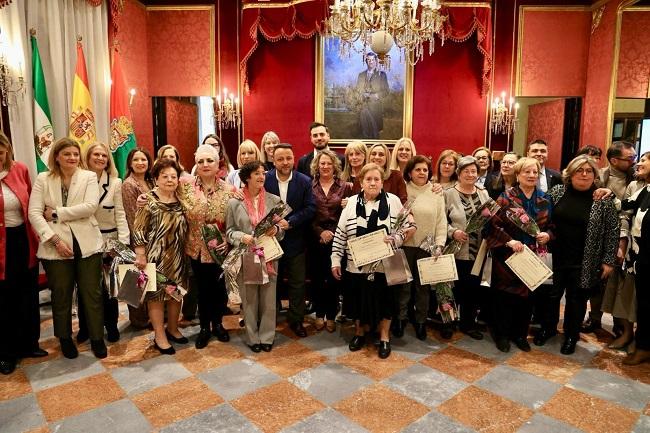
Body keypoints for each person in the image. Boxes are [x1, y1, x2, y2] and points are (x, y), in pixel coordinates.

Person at [28, 138, 106, 359]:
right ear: (57, 157)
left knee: (92, 292)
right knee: (61, 294)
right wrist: (54, 240)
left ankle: (96, 337)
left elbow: (90, 207)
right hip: (55, 246)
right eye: (67, 154)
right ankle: (64, 338)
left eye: (75, 154)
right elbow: (34, 213)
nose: (72, 158)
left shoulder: (89, 176)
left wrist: (55, 213)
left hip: (87, 243)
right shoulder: (43, 179)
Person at [331, 163, 412, 359]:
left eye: (377, 179)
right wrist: (335, 259)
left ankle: (384, 336)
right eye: (368, 179)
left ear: (382, 182)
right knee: (358, 301)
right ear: (361, 182)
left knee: (386, 301)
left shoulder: (393, 201)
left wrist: (396, 239)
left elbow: (408, 226)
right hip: (356, 265)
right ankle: (359, 333)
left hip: (386, 266)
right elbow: (341, 233)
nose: (373, 182)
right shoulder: (350, 202)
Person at [543, 155, 618, 354]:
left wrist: (608, 260)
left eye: (589, 171)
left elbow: (612, 231)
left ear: (594, 175)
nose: (584, 174)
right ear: (570, 173)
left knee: (576, 299)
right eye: (579, 170)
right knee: (551, 295)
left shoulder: (602, 199)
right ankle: (548, 329)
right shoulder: (557, 192)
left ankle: (571, 335)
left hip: (585, 259)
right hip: (555, 256)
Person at [485, 157, 552, 353]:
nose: (531, 175)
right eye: (527, 172)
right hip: (508, 255)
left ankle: (520, 335)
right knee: (505, 298)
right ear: (518, 175)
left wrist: (547, 235)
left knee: (527, 298)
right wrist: (509, 241)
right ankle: (502, 335)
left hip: (533, 256)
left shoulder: (545, 199)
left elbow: (552, 227)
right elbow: (490, 226)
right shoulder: (505, 198)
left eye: (535, 172)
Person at [181, 145, 236, 349]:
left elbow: (237, 220)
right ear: (196, 164)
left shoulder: (230, 190)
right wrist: (145, 198)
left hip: (220, 249)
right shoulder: (184, 186)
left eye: (209, 161)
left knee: (219, 288)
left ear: (218, 163)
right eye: (201, 161)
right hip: (195, 247)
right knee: (202, 290)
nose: (205, 165)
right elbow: (163, 194)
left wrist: (229, 241)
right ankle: (204, 327)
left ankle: (218, 324)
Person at [226, 161, 284, 352]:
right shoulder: (235, 202)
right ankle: (253, 338)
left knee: (269, 298)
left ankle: (267, 337)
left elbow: (282, 231)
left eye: (263, 173)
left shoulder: (274, 201)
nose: (261, 177)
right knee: (249, 298)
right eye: (256, 174)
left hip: (269, 254)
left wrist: (275, 229)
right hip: (247, 254)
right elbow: (229, 232)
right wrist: (241, 237)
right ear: (246, 178)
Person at [133, 159, 189, 355]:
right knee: (155, 296)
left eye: (173, 176)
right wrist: (140, 254)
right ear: (155, 178)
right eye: (164, 176)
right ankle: (159, 335)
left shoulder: (182, 199)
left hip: (179, 256)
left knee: (176, 293)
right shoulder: (148, 200)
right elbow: (138, 229)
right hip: (155, 258)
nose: (169, 180)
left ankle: (173, 328)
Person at [76, 142, 130, 344]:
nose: (100, 158)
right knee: (85, 287)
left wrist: (121, 245)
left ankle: (111, 325)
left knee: (109, 288)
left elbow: (121, 214)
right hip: (85, 241)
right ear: (87, 158)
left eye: (104, 155)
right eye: (95, 155)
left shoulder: (115, 182)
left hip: (110, 241)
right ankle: (85, 327)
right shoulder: (78, 182)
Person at [0, 132, 44, 375]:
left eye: (0, 152)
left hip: (22, 240)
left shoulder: (20, 170)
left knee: (27, 294)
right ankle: (6, 353)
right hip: (0, 246)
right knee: (4, 299)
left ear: (7, 150)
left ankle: (29, 344)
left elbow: (30, 203)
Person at [583, 141, 637, 335]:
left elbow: (626, 212)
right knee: (598, 280)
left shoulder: (636, 178)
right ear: (614, 160)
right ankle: (594, 318)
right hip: (600, 237)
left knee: (620, 283)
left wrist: (621, 243)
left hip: (627, 237)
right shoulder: (599, 176)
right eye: (630, 158)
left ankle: (619, 323)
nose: (634, 161)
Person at [265, 143, 316, 337]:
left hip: (296, 240)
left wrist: (290, 222)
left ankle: (296, 320)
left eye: (288, 158)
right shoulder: (265, 179)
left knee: (297, 283)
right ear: (273, 161)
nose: (285, 162)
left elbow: (310, 208)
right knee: (271, 281)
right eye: (280, 159)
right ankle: (272, 318)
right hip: (270, 240)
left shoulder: (304, 181)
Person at [398, 155, 446, 340]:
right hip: (406, 245)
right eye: (417, 169)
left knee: (423, 288)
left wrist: (440, 244)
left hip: (428, 247)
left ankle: (420, 322)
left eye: (425, 170)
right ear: (410, 172)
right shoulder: (403, 189)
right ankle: (401, 319)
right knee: (403, 286)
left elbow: (441, 221)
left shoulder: (436, 192)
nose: (421, 172)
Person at [444, 156, 492, 340]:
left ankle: (468, 324)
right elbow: (442, 221)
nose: (470, 174)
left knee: (472, 289)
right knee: (452, 289)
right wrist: (453, 232)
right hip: (456, 251)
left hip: (478, 251)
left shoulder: (483, 193)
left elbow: (489, 217)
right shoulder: (448, 194)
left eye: (474, 171)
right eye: (466, 171)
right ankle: (448, 322)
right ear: (459, 173)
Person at [310, 150, 353, 333]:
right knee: (318, 278)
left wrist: (333, 232)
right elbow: (308, 212)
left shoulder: (346, 187)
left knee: (334, 278)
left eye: (329, 163)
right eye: (322, 163)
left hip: (339, 239)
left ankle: (331, 314)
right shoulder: (309, 186)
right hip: (315, 239)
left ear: (335, 166)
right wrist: (321, 231)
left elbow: (349, 214)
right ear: (317, 166)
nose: (325, 166)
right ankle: (319, 314)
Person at [620, 152, 650, 365]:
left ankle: (644, 348)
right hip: (639, 258)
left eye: (644, 160)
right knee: (644, 303)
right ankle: (643, 345)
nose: (638, 163)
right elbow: (626, 206)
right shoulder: (644, 190)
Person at [121, 147, 154, 328]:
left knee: (150, 279)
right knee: (136, 279)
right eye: (136, 160)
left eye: (144, 159)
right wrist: (139, 244)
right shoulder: (129, 184)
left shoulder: (151, 180)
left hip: (153, 236)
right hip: (138, 238)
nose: (140, 163)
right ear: (130, 164)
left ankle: (150, 316)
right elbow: (133, 216)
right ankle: (138, 320)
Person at [355, 52, 389, 139]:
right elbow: (357, 90)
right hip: (363, 106)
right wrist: (362, 94)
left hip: (375, 107)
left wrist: (376, 95)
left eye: (372, 60)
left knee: (375, 131)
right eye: (368, 60)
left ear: (376, 61)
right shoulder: (361, 75)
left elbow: (386, 91)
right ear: (366, 61)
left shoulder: (381, 75)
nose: (371, 62)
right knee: (364, 131)